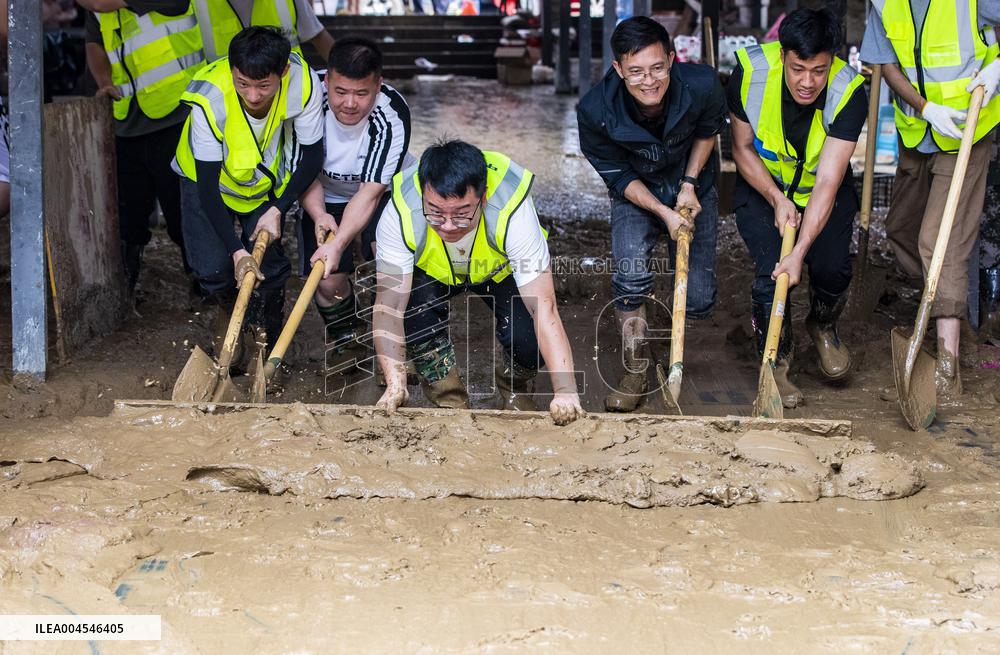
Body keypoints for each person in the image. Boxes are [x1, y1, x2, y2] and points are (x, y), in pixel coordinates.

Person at [372, 139, 585, 426]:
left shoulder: (512, 209)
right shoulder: (399, 211)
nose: (447, 225)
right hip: (432, 272)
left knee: (527, 337)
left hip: (496, 271)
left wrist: (566, 391)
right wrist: (394, 383)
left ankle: (515, 390)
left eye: (461, 214)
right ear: (423, 194)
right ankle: (448, 402)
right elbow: (388, 307)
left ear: (483, 199)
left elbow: (544, 309)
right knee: (415, 317)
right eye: (435, 211)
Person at [576, 16, 726, 412]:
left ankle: (660, 333)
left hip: (694, 186)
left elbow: (707, 132)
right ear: (618, 70)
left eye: (658, 68)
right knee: (629, 279)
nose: (649, 80)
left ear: (672, 59)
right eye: (636, 71)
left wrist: (689, 184)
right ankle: (637, 363)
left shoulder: (704, 85)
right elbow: (620, 177)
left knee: (698, 300)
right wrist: (662, 211)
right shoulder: (595, 111)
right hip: (637, 193)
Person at [728, 8, 866, 408]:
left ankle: (823, 325)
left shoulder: (849, 90)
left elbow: (827, 181)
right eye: (798, 68)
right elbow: (740, 148)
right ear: (784, 54)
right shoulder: (750, 72)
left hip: (822, 190)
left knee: (832, 267)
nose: (808, 82)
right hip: (763, 186)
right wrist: (775, 198)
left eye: (819, 70)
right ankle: (777, 362)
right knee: (771, 274)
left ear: (833, 62)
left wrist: (800, 251)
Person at [862, 0, 1000, 396]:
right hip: (920, 129)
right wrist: (925, 108)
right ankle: (948, 313)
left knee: (940, 240)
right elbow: (886, 65)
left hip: (968, 129)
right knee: (902, 229)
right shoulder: (883, 2)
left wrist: (997, 69)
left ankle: (947, 364)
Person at [173, 26, 324, 360]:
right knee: (213, 268)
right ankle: (230, 318)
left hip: (262, 182)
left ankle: (264, 334)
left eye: (263, 85)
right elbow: (208, 189)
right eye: (243, 84)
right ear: (232, 70)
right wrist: (237, 252)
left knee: (269, 265)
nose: (253, 95)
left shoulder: (304, 82)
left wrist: (279, 208)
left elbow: (313, 156)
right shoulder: (209, 99)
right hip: (206, 181)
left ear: (283, 72)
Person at [81, 0, 206, 300]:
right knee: (128, 216)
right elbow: (94, 43)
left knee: (183, 213)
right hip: (127, 120)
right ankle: (124, 289)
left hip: (177, 113)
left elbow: (99, 2)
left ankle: (207, 287)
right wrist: (105, 82)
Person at [298, 37, 412, 366]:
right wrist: (319, 215)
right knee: (327, 277)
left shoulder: (391, 114)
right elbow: (302, 171)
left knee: (387, 261)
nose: (349, 103)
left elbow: (370, 191)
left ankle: (392, 347)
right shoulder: (304, 100)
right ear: (326, 81)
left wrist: (342, 241)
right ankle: (349, 340)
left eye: (362, 94)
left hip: (383, 190)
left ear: (379, 85)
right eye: (340, 91)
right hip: (319, 191)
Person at [192, 0, 335, 63]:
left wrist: (349, 75)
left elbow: (318, 36)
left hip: (290, 98)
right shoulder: (196, 4)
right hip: (223, 105)